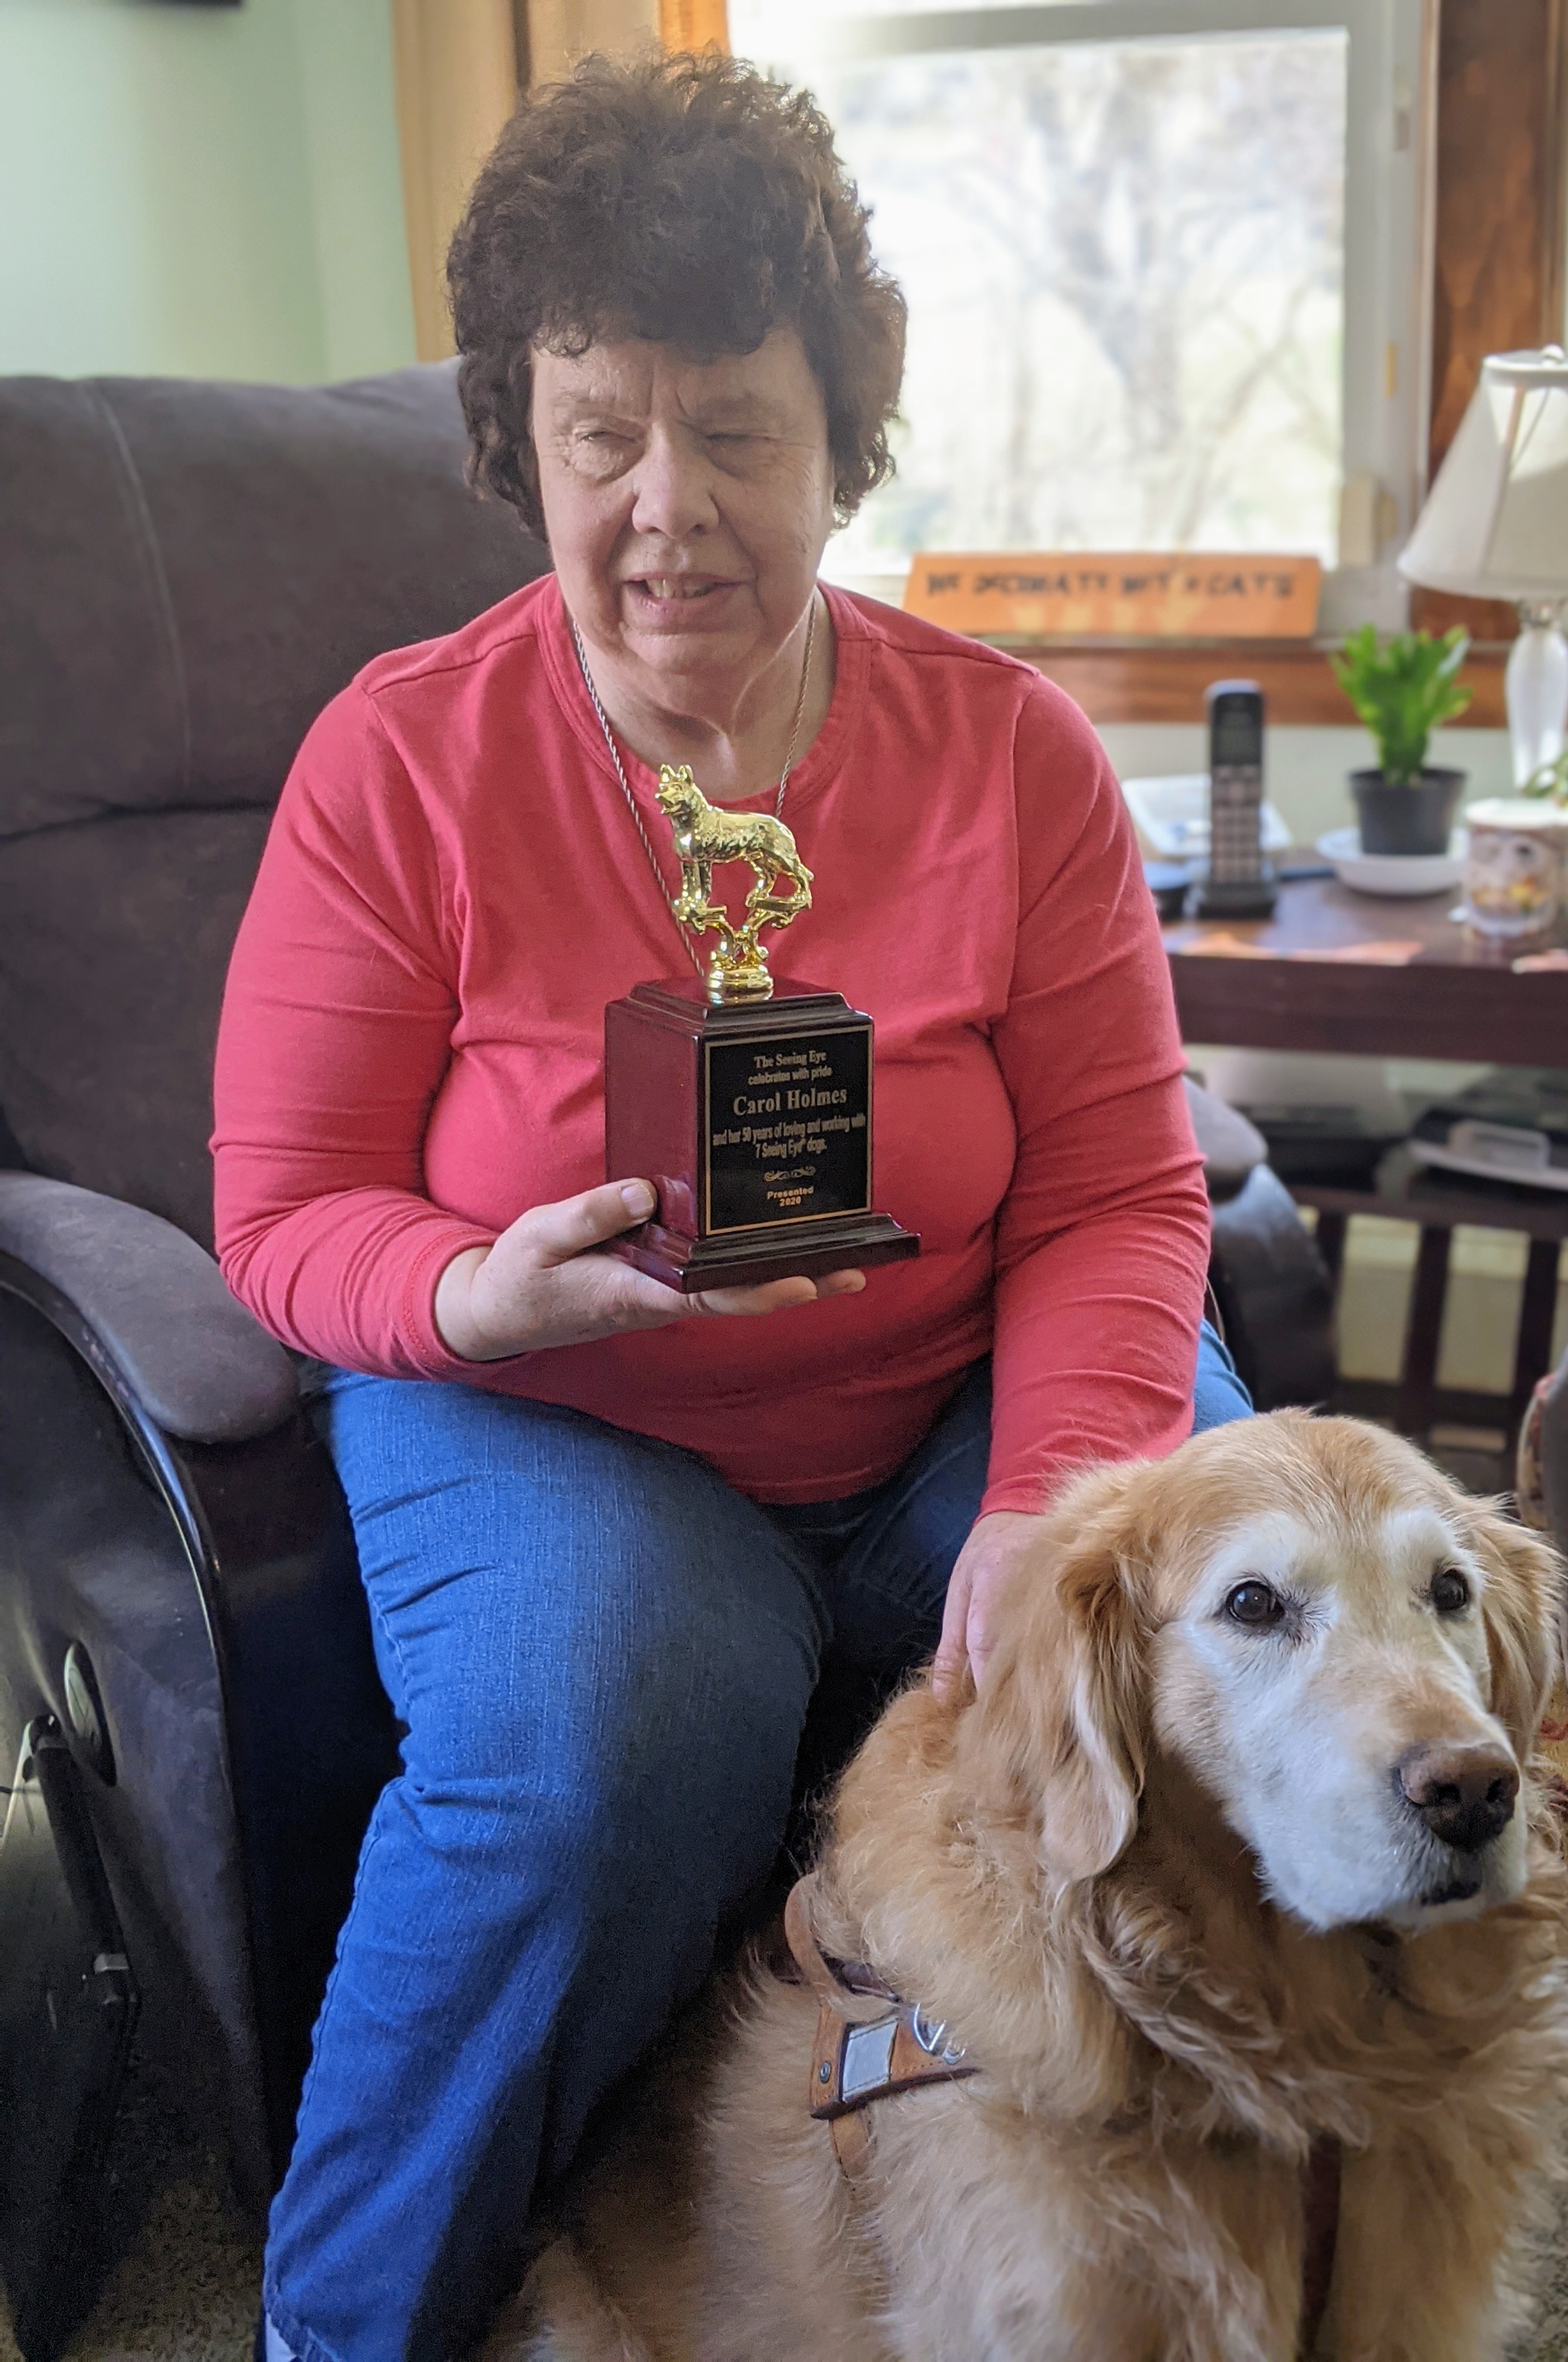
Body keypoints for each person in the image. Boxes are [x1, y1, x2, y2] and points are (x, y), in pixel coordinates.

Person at [211, 48, 1249, 2362]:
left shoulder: (1016, 756)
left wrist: (1065, 1495)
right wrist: (474, 1289)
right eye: (602, 432)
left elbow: (1112, 1183)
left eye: (738, 432)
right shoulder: (401, 762)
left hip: (968, 1380)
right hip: (547, 1410)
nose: (667, 506)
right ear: (523, 441)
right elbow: (282, 1215)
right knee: (596, 1746)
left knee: (1185, 1645)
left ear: (841, 441)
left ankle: (1159, 2259)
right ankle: (345, 2325)